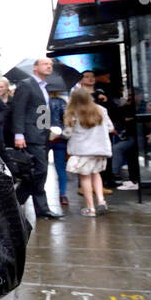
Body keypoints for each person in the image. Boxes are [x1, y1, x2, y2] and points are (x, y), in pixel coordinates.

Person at [9, 57, 62, 219]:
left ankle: (21, 204)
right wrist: (19, 134)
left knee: (37, 173)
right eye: (45, 64)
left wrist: (48, 128)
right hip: (30, 136)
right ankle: (20, 202)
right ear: (35, 68)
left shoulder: (44, 88)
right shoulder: (26, 84)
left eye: (51, 65)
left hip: (42, 135)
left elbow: (41, 111)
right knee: (40, 171)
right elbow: (18, 110)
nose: (49, 67)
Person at [64, 88, 112, 216]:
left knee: (85, 178)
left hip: (82, 151)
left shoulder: (73, 113)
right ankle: (101, 201)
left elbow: (68, 133)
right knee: (96, 174)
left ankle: (91, 208)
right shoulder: (101, 110)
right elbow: (110, 127)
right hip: (99, 150)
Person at [111, 88, 141, 189]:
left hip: (140, 136)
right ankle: (116, 174)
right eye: (129, 95)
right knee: (121, 148)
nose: (130, 97)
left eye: (132, 95)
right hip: (130, 135)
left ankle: (116, 174)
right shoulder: (127, 107)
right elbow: (123, 120)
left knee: (118, 148)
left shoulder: (143, 106)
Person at [48, 90, 70, 210]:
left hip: (45, 137)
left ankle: (42, 194)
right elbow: (67, 120)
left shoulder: (43, 101)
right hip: (60, 137)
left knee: (42, 168)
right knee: (60, 167)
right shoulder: (62, 102)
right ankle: (63, 194)